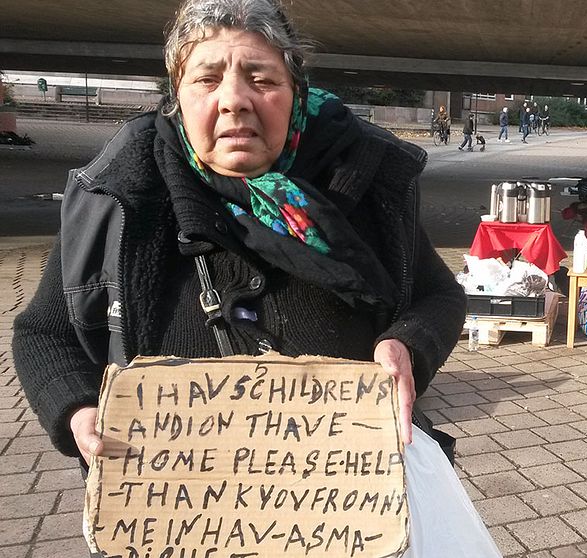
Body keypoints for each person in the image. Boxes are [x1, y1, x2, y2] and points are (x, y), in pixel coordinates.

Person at [13, 0, 467, 478]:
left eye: (262, 79)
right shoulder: (119, 195)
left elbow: (439, 296)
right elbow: (44, 332)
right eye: (207, 80)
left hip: (344, 500)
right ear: (178, 97)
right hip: (173, 502)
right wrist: (77, 411)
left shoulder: (366, 183)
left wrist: (407, 346)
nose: (234, 99)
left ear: (295, 92)